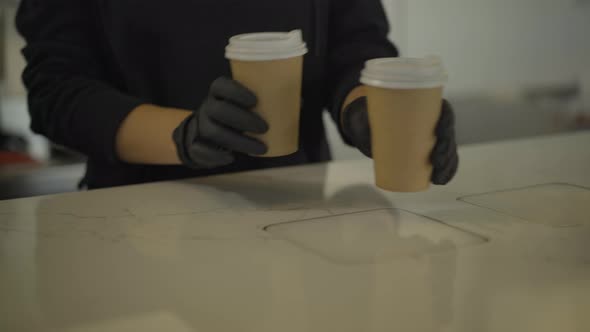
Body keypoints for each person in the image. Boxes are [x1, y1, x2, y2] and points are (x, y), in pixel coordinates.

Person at [16, 0, 458, 189]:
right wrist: (181, 136)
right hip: (133, 220)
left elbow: (355, 46)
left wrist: (365, 108)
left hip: (299, 212)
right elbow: (56, 90)